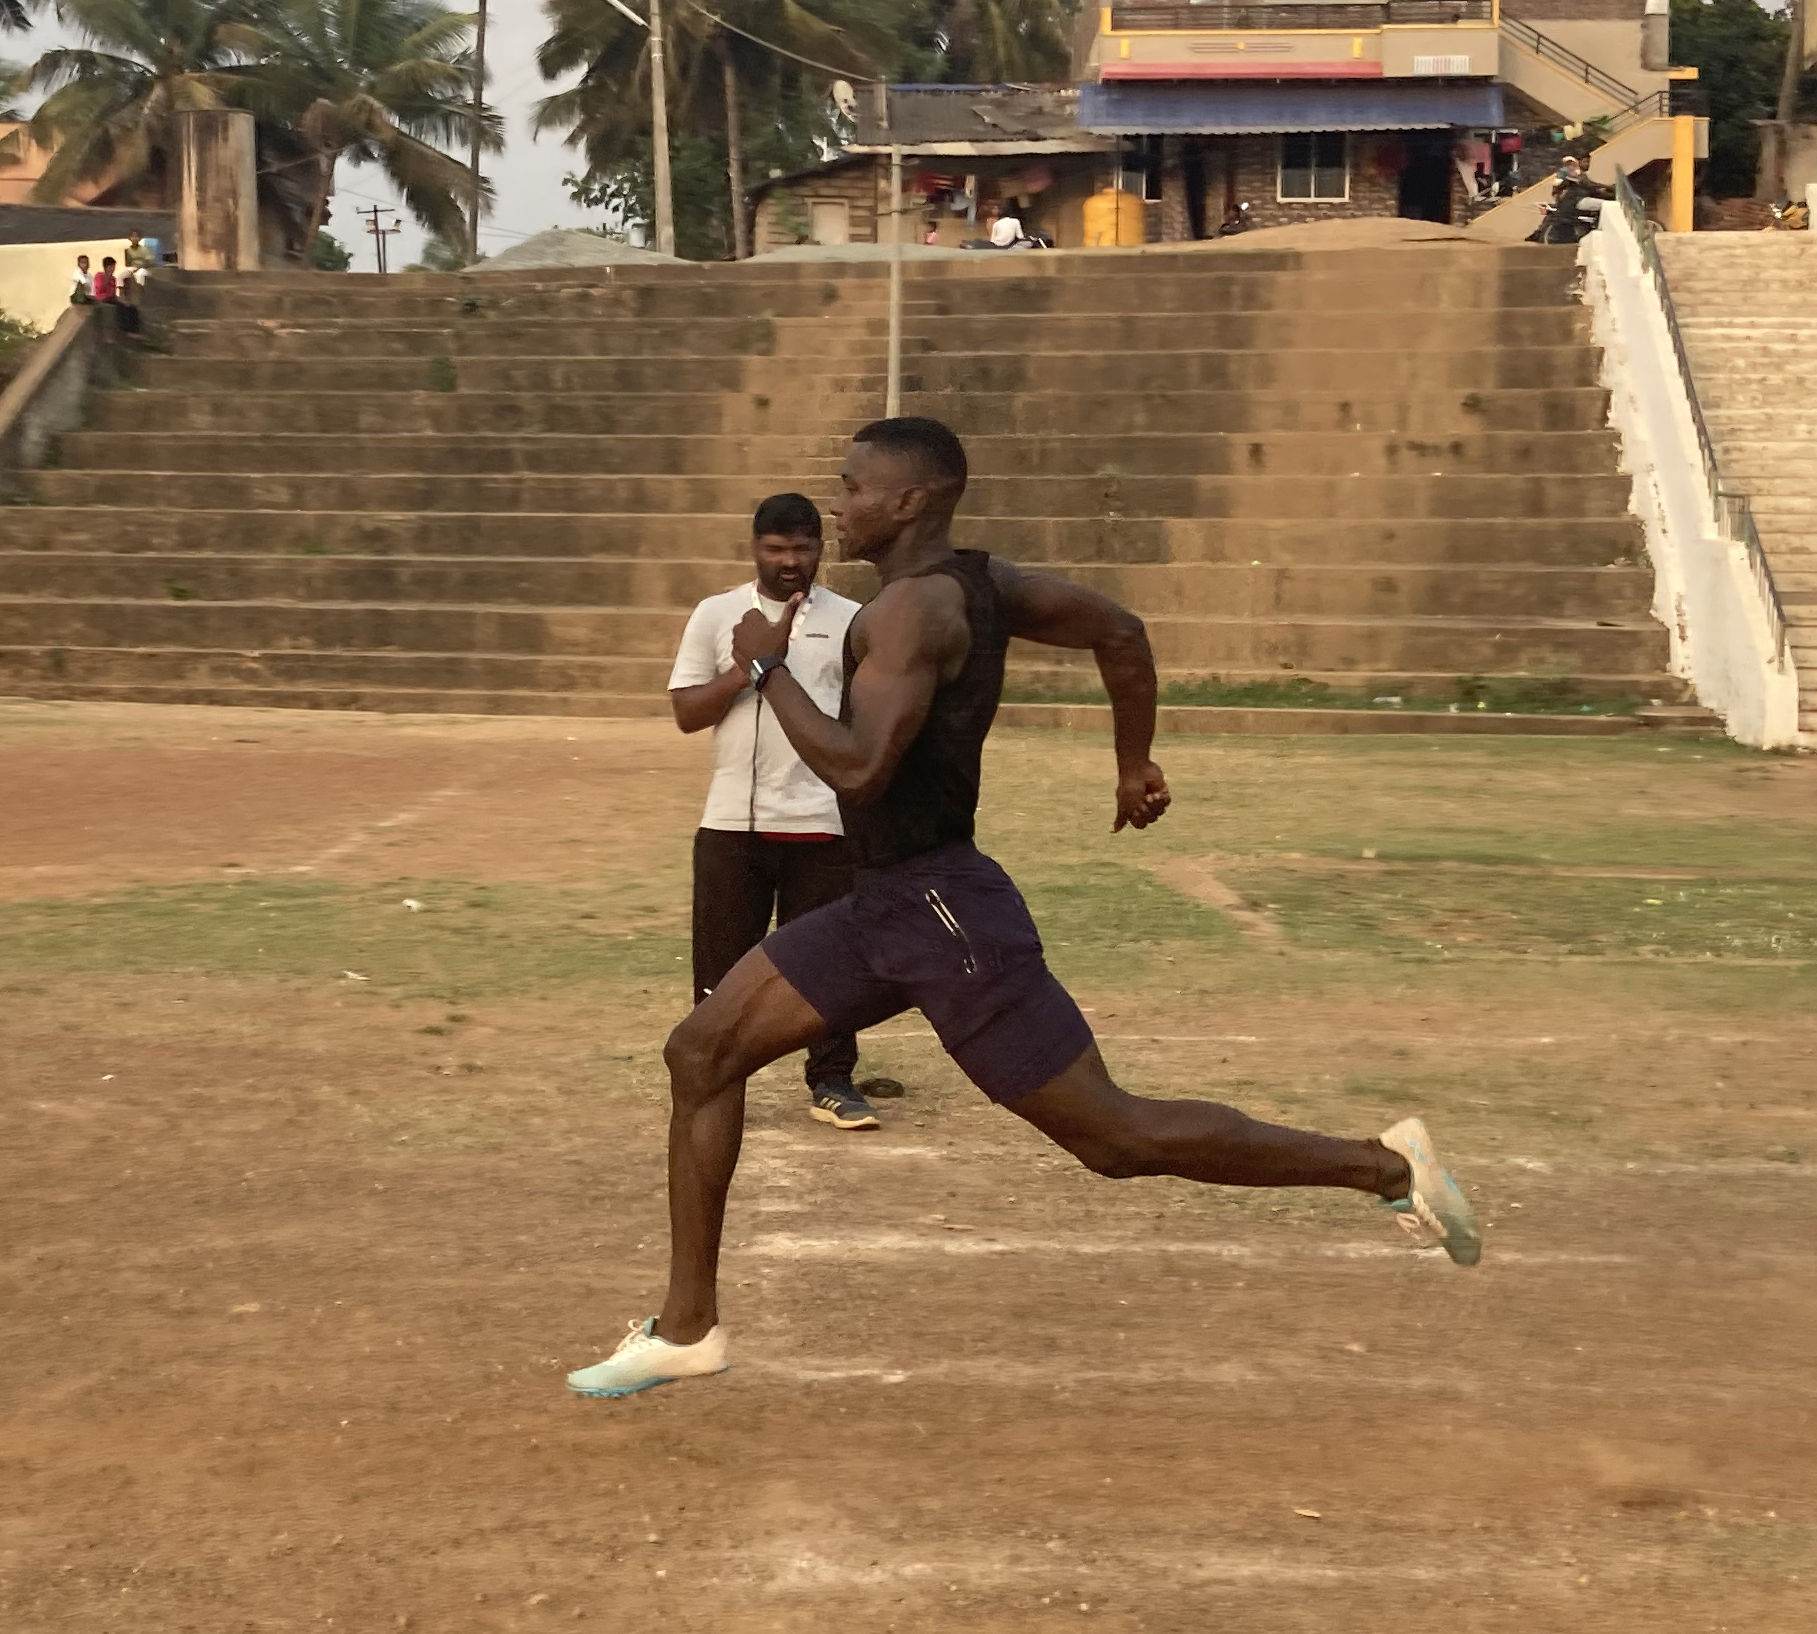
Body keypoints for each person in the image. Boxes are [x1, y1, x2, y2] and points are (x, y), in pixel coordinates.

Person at [567, 416, 1478, 1399]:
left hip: (941, 915)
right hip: (882, 904)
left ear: (909, 501)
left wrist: (767, 668)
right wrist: (1134, 760)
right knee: (702, 1053)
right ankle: (688, 1328)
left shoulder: (912, 613)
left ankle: (1385, 1166)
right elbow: (1120, 632)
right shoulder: (987, 583)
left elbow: (861, 770)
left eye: (855, 486)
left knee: (1115, 1138)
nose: (840, 504)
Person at [671, 492, 894, 1133]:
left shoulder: (853, 621)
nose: (790, 561)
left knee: (833, 964)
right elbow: (687, 713)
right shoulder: (718, 614)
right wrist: (749, 668)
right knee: (719, 968)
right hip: (731, 827)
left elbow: (865, 721)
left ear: (821, 549)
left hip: (823, 823)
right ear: (755, 548)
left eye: (803, 547)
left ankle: (832, 1080)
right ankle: (713, 1077)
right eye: (776, 548)